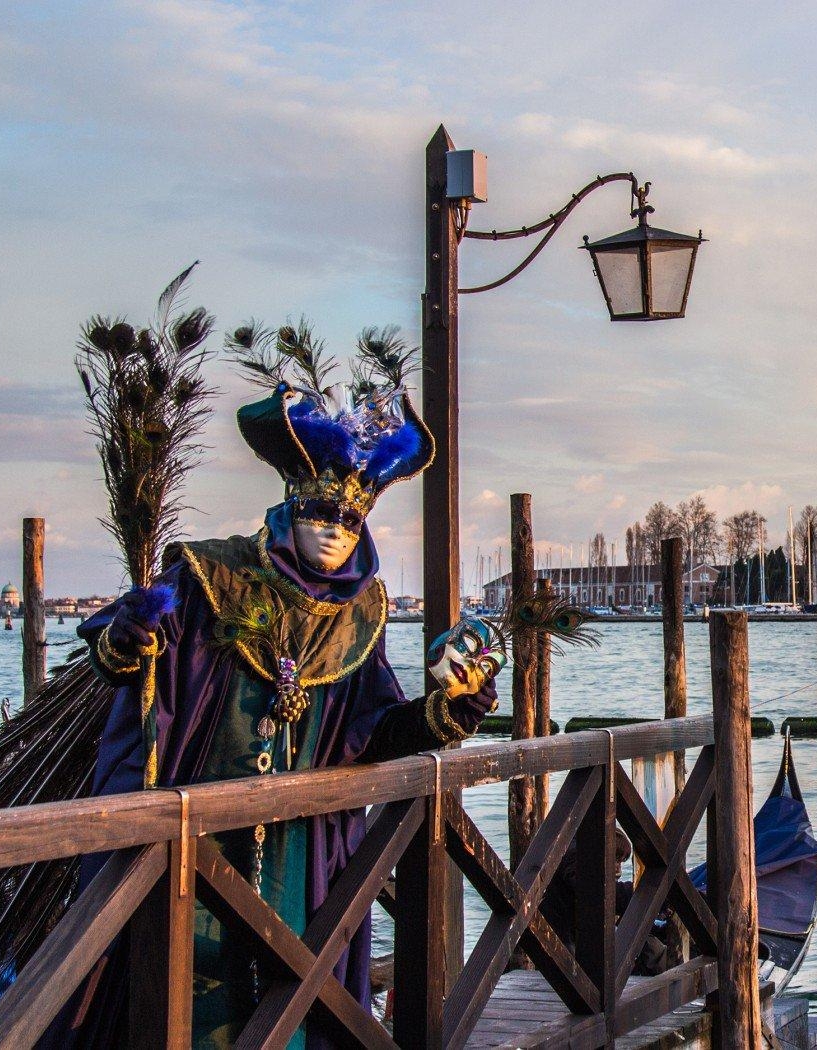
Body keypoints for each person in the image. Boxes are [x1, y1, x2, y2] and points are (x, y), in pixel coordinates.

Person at [51, 363, 499, 1048]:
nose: (335, 529)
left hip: (301, 859)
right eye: (321, 512)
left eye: (350, 518)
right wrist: (127, 639)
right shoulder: (213, 574)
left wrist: (451, 711)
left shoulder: (358, 616)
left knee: (289, 1001)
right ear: (291, 507)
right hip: (191, 844)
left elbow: (371, 736)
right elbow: (131, 661)